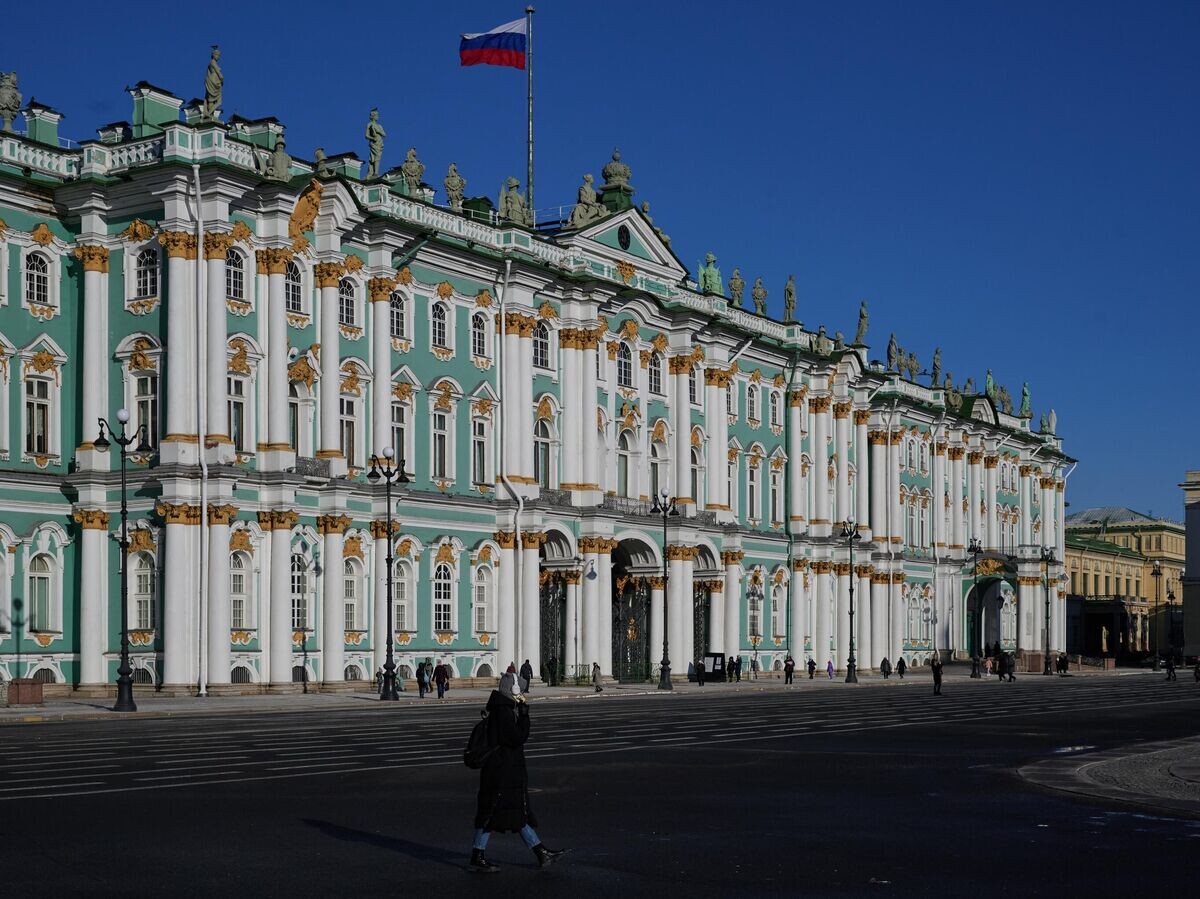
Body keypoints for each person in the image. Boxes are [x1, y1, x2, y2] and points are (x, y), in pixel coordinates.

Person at [469, 672, 568, 873]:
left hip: (501, 772)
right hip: (503, 773)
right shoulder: (504, 712)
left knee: (510, 813)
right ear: (513, 690)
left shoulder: (500, 709)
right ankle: (478, 855)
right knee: (496, 813)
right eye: (520, 689)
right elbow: (517, 738)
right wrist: (524, 716)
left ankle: (540, 853)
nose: (522, 692)